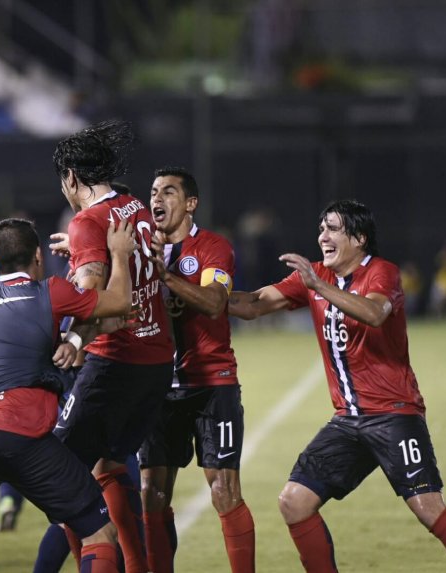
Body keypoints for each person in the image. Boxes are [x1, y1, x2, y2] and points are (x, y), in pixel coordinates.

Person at [227, 200, 446, 573]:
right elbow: (254, 304)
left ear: (359, 238)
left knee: (428, 508)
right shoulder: (317, 275)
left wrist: (317, 285)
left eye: (333, 229)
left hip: (394, 414)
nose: (323, 236)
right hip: (349, 421)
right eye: (321, 228)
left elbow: (374, 313)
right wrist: (193, 294)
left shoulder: (382, 272)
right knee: (294, 501)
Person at [0, 217, 137, 573]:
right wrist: (119, 254)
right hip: (17, 432)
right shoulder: (50, 291)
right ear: (39, 256)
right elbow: (119, 301)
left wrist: (66, 342)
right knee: (98, 531)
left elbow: (14, 344)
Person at [52, 119, 174, 573]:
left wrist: (72, 333)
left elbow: (92, 289)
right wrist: (85, 250)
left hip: (114, 362)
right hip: (156, 359)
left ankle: (96, 562)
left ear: (71, 178)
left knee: (58, 474)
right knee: (107, 465)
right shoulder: (134, 204)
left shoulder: (86, 221)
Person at [139, 167, 254, 573]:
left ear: (190, 204)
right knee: (151, 493)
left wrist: (163, 276)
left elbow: (214, 301)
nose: (157, 199)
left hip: (212, 383)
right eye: (153, 191)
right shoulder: (139, 251)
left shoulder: (212, 246)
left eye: (169, 192)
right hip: (158, 386)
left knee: (223, 490)